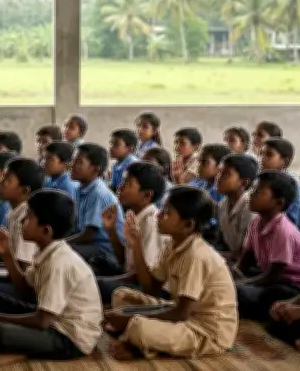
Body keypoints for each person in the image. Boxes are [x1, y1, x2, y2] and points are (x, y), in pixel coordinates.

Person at [104, 186, 237, 360]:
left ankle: (137, 342)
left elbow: (181, 314)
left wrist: (130, 315)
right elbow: (151, 288)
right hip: (180, 311)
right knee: (121, 296)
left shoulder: (196, 255)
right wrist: (136, 244)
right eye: (161, 209)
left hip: (205, 331)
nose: (158, 215)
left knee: (139, 326)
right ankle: (136, 337)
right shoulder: (171, 244)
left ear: (188, 225)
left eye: (167, 213)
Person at [0, 190, 102, 366]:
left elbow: (42, 321)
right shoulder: (47, 251)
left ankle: (22, 351)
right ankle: (23, 346)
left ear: (46, 230)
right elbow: (24, 288)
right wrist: (7, 255)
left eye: (28, 217)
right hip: (53, 320)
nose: (22, 221)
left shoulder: (59, 263)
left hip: (70, 338)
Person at [234, 171, 300, 321]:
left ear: (279, 203)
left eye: (258, 192)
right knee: (224, 277)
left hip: (293, 287)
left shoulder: (283, 230)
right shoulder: (255, 223)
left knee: (241, 293)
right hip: (270, 277)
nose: (251, 194)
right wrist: (230, 276)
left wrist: (236, 284)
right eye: (252, 189)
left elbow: (273, 276)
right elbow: (244, 263)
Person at [98, 162, 167, 305]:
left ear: (146, 195)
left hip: (146, 287)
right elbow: (124, 260)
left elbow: (145, 278)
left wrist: (110, 280)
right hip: (132, 276)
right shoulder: (135, 215)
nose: (120, 187)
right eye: (122, 182)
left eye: (127, 184)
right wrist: (111, 230)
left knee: (98, 286)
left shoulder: (151, 222)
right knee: (97, 261)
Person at [68, 143, 125, 275]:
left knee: (61, 252)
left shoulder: (97, 193)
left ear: (96, 170)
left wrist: (60, 243)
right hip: (91, 244)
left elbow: (88, 235)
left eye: (79, 162)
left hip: (104, 250)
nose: (72, 165)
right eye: (73, 160)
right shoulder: (80, 188)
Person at [214, 153, 257, 262]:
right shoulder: (223, 204)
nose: (218, 178)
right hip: (234, 258)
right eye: (219, 172)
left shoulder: (250, 207)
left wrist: (212, 255)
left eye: (226, 174)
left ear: (243, 183)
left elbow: (246, 255)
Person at [259, 137, 300, 228]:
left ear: (285, 162)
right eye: (261, 154)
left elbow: (293, 221)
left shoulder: (292, 187)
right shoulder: (261, 179)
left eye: (269, 154)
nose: (262, 158)